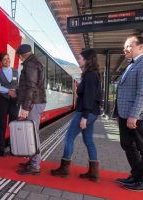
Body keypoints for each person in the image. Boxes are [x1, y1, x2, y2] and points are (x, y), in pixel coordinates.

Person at [50, 49, 102, 182]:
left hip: (86, 112)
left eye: (80, 58)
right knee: (88, 140)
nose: (78, 61)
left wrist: (84, 116)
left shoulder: (90, 75)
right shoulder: (94, 74)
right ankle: (93, 172)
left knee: (68, 137)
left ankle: (64, 169)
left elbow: (89, 97)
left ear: (87, 60)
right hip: (92, 112)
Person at [114, 35, 143, 191]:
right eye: (125, 46)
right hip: (124, 115)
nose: (125, 49)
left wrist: (134, 115)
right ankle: (136, 175)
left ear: (141, 47)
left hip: (138, 116)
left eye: (129, 46)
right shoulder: (131, 65)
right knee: (127, 145)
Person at [15, 44, 46, 175]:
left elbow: (32, 87)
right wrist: (16, 92)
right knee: (31, 133)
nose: (20, 60)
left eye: (19, 58)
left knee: (33, 133)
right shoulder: (35, 62)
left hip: (33, 103)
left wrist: (26, 107)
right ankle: (32, 160)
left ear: (21, 56)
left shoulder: (30, 64)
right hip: (35, 101)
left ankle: (35, 165)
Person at [0, 52, 19, 157]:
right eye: (4, 59)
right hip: (2, 101)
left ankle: (14, 148)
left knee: (13, 125)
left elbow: (20, 85)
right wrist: (8, 91)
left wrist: (16, 93)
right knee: (1, 126)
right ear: (1, 62)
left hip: (14, 101)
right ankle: (1, 149)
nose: (7, 61)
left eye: (8, 59)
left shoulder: (16, 72)